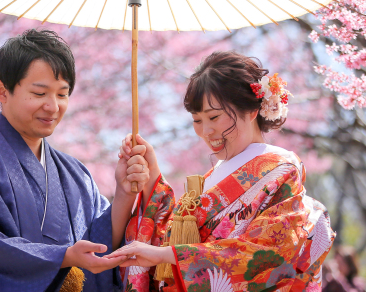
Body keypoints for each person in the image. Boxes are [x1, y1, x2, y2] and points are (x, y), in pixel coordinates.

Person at [0, 29, 151, 291]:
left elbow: (99, 245)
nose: (53, 106)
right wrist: (63, 257)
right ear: (2, 90)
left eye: (62, 94)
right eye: (39, 93)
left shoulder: (75, 173)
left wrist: (124, 193)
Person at [107, 51, 336, 291]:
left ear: (251, 111)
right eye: (197, 120)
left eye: (214, 117)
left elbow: (270, 254)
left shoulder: (281, 169)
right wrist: (151, 174)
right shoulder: (214, 174)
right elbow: (173, 237)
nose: (206, 131)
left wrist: (170, 256)